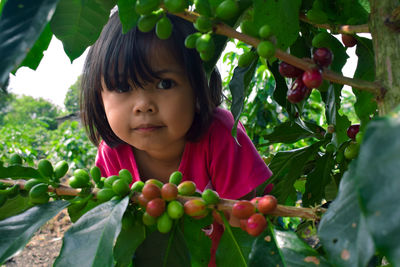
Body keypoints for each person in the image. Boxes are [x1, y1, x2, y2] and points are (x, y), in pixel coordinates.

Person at [80, 11, 272, 267]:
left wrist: (244, 215)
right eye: (123, 88)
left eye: (165, 84)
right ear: (98, 95)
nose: (143, 106)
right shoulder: (111, 153)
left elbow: (251, 222)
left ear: (198, 85)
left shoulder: (221, 135)